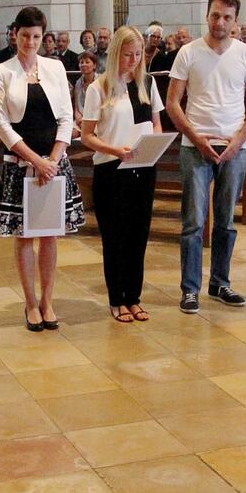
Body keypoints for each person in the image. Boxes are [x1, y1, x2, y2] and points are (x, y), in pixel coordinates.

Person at [166, 0, 246, 314]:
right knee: (194, 221)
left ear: (236, 20)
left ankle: (220, 282)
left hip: (234, 148)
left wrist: (238, 140)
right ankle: (190, 289)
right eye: (214, 15)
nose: (219, 22)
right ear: (206, 15)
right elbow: (172, 103)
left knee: (226, 221)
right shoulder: (188, 52)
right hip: (195, 147)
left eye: (226, 17)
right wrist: (196, 138)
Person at [0, 5, 85, 330]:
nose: (30, 42)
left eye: (36, 36)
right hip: (22, 163)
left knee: (50, 236)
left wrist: (54, 159)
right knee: (26, 236)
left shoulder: (55, 67)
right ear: (15, 34)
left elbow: (66, 116)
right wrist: (35, 160)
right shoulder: (3, 71)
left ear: (43, 37)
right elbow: (1, 124)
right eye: (25, 35)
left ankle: (48, 301)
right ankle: (30, 303)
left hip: (54, 164)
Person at [81, 25, 164, 322]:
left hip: (143, 166)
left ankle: (134, 297)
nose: (133, 60)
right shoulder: (99, 87)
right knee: (115, 236)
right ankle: (117, 298)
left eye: (138, 54)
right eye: (128, 54)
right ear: (116, 53)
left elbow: (156, 124)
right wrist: (115, 150)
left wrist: (154, 142)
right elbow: (87, 136)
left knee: (138, 235)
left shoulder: (148, 84)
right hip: (111, 168)